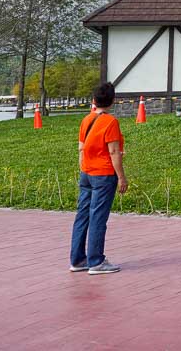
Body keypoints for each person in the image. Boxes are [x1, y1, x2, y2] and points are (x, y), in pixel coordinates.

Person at [70, 81, 129, 275]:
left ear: (94, 100)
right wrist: (121, 177)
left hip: (86, 173)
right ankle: (96, 261)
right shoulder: (110, 122)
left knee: (82, 215)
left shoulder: (86, 120)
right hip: (103, 175)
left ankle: (78, 259)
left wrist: (83, 167)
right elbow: (114, 152)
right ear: (112, 101)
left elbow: (81, 147)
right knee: (98, 218)